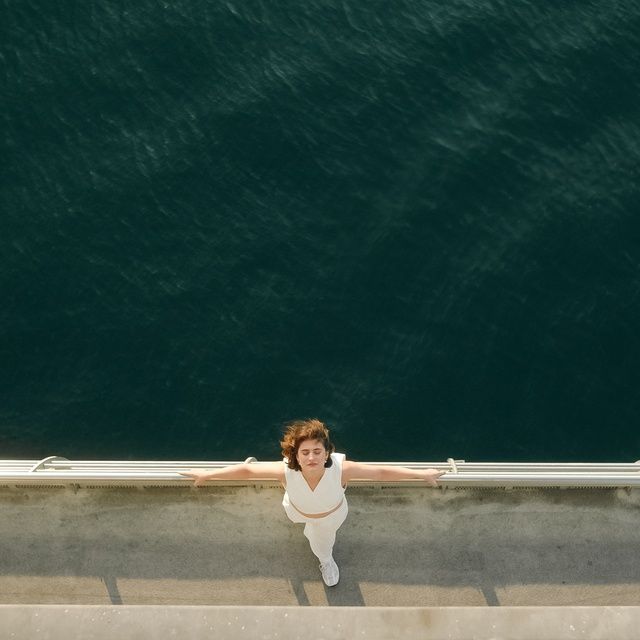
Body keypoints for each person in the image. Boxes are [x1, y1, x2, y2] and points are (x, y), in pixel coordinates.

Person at [182, 418, 445, 587]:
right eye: (305, 452)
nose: (311, 457)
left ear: (327, 452)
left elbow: (379, 472)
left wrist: (422, 475)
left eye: (317, 451)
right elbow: (248, 471)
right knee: (302, 522)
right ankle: (310, 532)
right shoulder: (285, 470)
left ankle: (326, 561)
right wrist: (207, 475)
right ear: (296, 455)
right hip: (296, 510)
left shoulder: (342, 470)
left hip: (329, 517)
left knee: (322, 544)